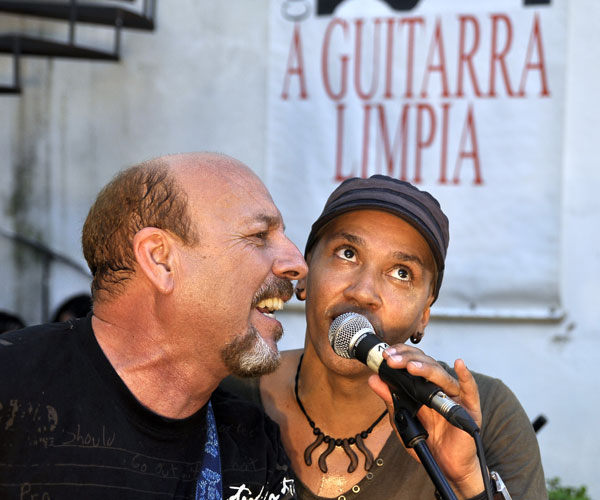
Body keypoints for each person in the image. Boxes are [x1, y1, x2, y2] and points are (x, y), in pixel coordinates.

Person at [0, 152, 308, 499]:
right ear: (160, 259)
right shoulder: (10, 384)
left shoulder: (251, 443)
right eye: (258, 236)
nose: (297, 263)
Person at [222, 175, 547, 499]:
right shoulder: (225, 391)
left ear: (423, 316)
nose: (364, 292)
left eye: (401, 273)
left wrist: (464, 481)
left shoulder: (482, 414)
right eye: (347, 253)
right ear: (305, 275)